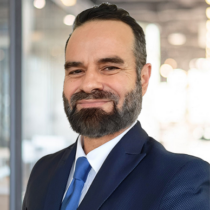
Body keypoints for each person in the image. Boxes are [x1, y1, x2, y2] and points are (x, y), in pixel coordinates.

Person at [22, 3, 210, 210]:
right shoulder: (43, 171)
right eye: (76, 71)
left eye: (109, 67)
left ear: (144, 78)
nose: (88, 84)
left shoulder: (183, 181)